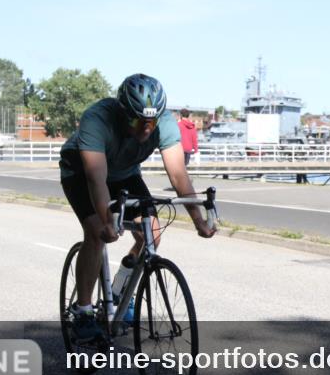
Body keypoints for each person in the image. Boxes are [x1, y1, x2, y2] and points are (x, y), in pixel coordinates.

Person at [59, 74, 216, 342]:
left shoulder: (164, 122)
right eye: (136, 120)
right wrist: (108, 221)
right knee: (98, 233)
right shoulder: (97, 119)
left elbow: (178, 175)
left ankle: (120, 289)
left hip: (124, 173)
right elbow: (96, 178)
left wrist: (198, 219)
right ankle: (83, 311)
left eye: (150, 122)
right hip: (82, 171)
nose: (145, 129)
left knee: (151, 233)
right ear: (122, 113)